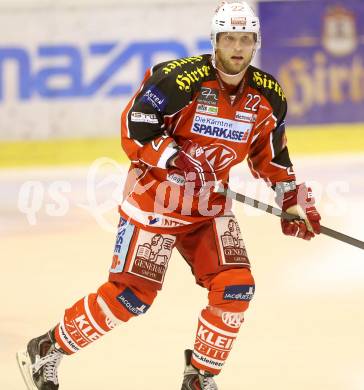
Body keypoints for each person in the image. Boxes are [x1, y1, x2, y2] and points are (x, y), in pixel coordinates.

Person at [16, 2, 321, 389]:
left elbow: (271, 154)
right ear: (215, 41)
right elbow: (135, 123)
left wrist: (291, 200)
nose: (237, 48)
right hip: (155, 202)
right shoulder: (179, 80)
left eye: (245, 39)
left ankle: (199, 377)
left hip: (208, 206)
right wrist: (176, 160)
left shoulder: (269, 96)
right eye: (229, 38)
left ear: (256, 43)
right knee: (131, 296)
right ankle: (47, 348)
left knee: (236, 285)